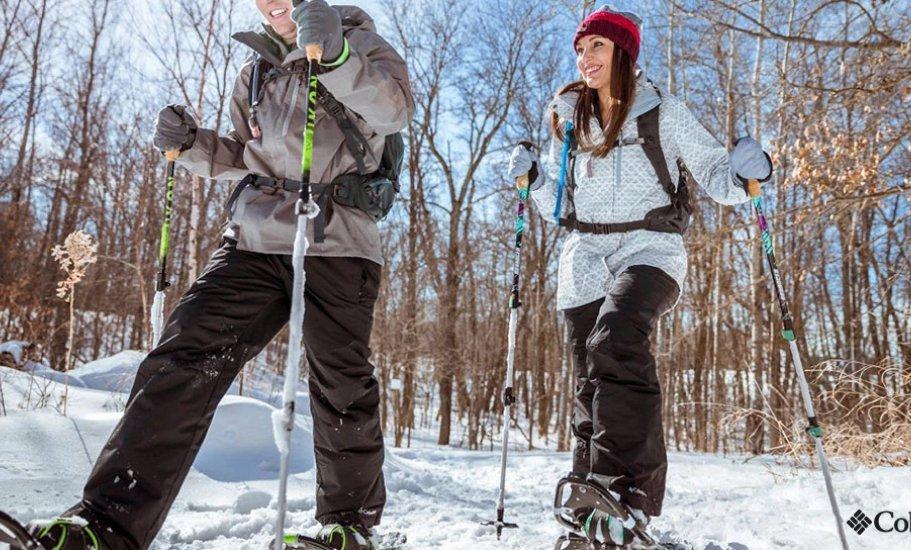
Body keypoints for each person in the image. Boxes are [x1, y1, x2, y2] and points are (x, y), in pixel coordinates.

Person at [28, 1, 413, 548]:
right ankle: (106, 525)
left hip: (337, 238)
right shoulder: (255, 69)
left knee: (340, 381)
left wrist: (336, 55)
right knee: (182, 355)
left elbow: (393, 111)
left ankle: (348, 527)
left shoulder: (363, 42)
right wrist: (190, 146)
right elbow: (244, 155)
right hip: (253, 239)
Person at [507, 5, 773, 549]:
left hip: (650, 247)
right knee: (588, 379)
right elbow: (559, 207)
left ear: (623, 52)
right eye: (581, 49)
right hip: (584, 256)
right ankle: (589, 506)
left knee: (615, 340)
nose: (585, 58)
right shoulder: (569, 119)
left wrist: (749, 169)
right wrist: (531, 181)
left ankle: (628, 494)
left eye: (597, 46)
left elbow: (718, 175)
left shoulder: (663, 112)